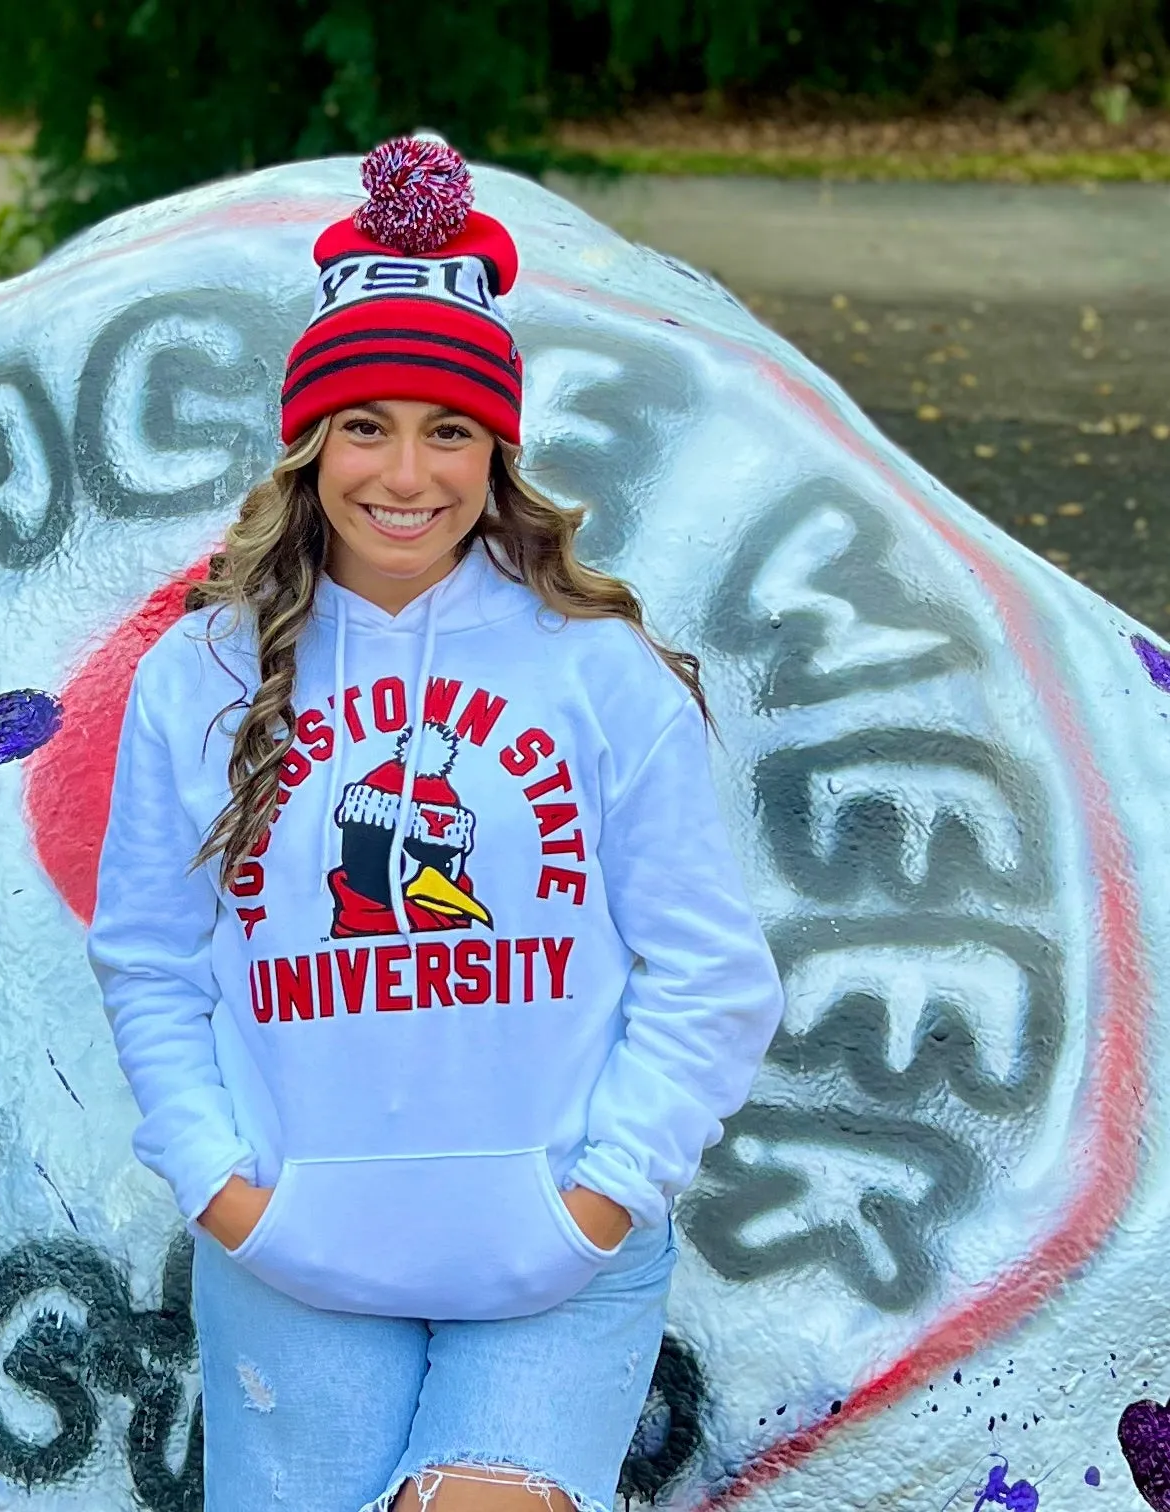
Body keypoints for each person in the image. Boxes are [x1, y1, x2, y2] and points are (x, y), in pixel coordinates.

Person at [86, 137, 787, 1512]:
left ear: (497, 452)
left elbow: (713, 972)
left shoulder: (598, 672)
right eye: (367, 426)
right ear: (310, 444)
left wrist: (600, 1193)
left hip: (550, 1258)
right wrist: (227, 1190)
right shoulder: (203, 677)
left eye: (449, 430)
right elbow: (149, 961)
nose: (406, 475)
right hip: (298, 1251)